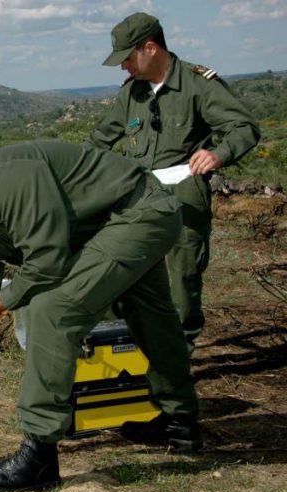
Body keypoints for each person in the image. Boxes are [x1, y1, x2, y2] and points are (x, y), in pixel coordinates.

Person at [0, 140, 201, 492]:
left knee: (52, 309)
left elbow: (48, 261)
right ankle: (180, 423)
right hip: (109, 228)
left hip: (139, 211)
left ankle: (39, 456)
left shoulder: (5, 180)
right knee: (150, 314)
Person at [88, 12, 260, 347]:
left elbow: (244, 127)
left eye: (127, 57)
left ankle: (179, 354)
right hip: (138, 197)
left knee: (183, 276)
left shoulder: (198, 85)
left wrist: (218, 154)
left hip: (183, 195)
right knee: (117, 270)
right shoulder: (131, 93)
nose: (123, 66)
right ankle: (125, 345)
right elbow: (99, 141)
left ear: (150, 48)